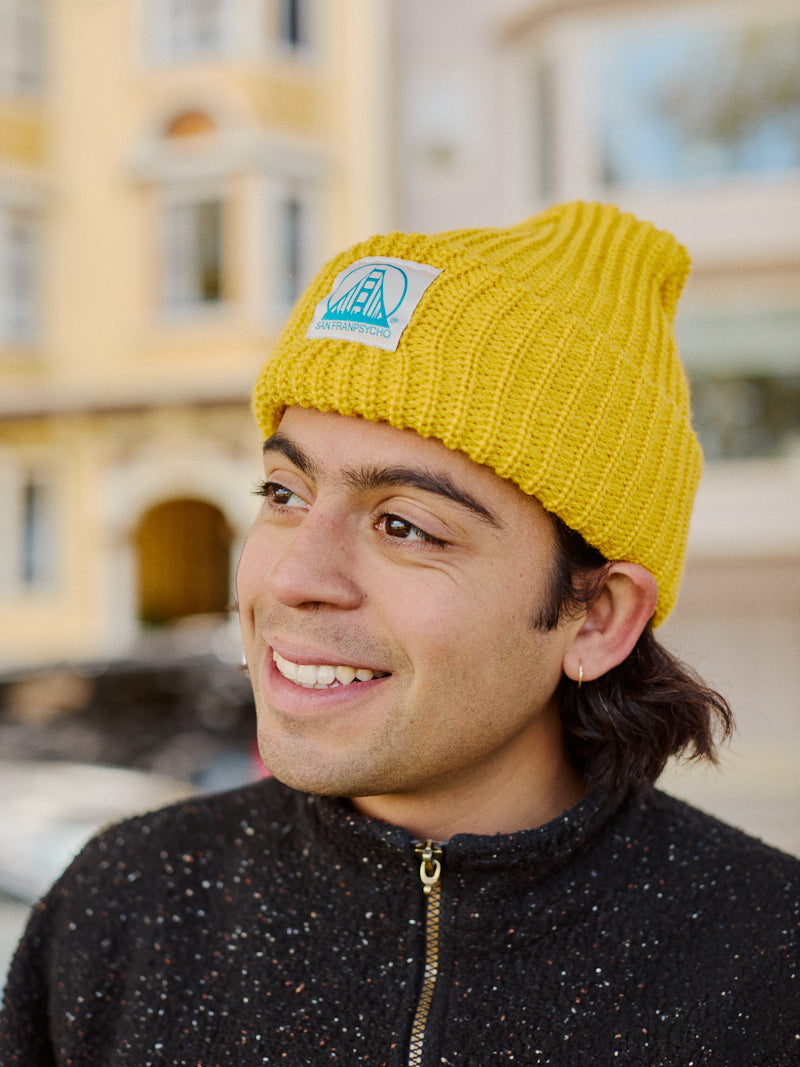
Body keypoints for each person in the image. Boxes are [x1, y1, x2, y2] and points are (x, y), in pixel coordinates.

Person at [1, 200, 798, 1065]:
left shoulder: (770, 964)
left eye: (406, 526)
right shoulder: (120, 907)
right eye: (283, 494)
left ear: (597, 617)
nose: (294, 578)